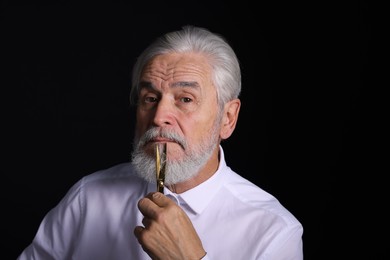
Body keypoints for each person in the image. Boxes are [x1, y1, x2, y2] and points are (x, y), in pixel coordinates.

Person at [17, 25, 303, 260]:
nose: (159, 117)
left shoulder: (274, 233)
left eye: (185, 99)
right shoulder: (88, 198)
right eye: (150, 99)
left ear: (227, 118)